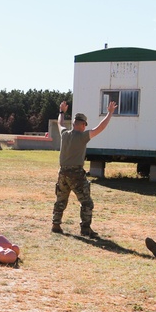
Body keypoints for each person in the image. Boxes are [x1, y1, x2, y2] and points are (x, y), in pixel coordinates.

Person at [52, 99, 116, 238]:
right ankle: (85, 229)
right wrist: (109, 113)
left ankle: (56, 224)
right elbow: (100, 128)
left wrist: (61, 111)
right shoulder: (82, 136)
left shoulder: (65, 134)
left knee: (61, 200)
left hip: (62, 172)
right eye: (85, 125)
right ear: (81, 125)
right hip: (76, 174)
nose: (85, 127)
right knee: (86, 202)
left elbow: (60, 123)